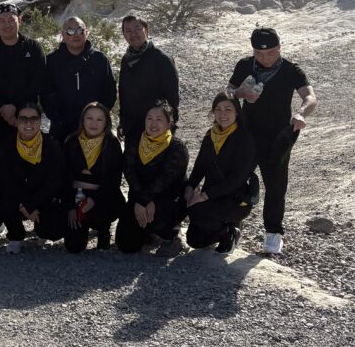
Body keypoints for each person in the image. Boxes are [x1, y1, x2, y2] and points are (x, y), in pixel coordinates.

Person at [229, 27, 317, 255]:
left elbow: (310, 98)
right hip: (247, 133)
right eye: (259, 53)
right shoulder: (244, 66)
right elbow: (227, 94)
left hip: (278, 136)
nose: (265, 58)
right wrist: (241, 94)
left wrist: (300, 113)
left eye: (270, 53)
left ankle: (273, 233)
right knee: (237, 178)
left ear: (279, 48)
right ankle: (232, 224)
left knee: (276, 185)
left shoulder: (291, 70)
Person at [185, 92, 257, 254]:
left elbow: (237, 179)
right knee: (194, 240)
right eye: (218, 109)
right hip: (212, 196)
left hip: (235, 199)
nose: (222, 114)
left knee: (198, 209)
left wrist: (204, 195)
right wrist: (190, 187)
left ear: (237, 112)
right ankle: (220, 227)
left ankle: (230, 231)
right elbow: (200, 166)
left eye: (228, 109)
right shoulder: (210, 136)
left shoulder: (244, 139)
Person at [115, 101, 188, 256]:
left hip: (167, 201)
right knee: (126, 245)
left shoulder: (177, 148)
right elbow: (129, 170)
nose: (153, 123)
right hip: (139, 199)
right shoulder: (136, 140)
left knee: (163, 216)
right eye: (149, 118)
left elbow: (165, 180)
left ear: (169, 124)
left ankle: (171, 237)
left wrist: (145, 200)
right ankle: (148, 233)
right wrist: (140, 200)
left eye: (159, 119)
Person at [0, 102, 66, 254]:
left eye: (33, 119)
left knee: (54, 229)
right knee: (4, 203)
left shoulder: (51, 145)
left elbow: (54, 181)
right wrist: (25, 205)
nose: (28, 123)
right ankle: (16, 236)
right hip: (17, 200)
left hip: (42, 199)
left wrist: (32, 204)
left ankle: (42, 232)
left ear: (40, 121)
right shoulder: (6, 145)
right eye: (23, 119)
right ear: (17, 121)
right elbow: (4, 181)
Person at [0, 3, 48, 152]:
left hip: (26, 117)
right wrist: (2, 107)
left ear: (19, 21)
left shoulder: (33, 48)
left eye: (11, 19)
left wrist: (17, 108)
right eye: (1, 20)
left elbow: (38, 82)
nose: (7, 24)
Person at [43, 17, 117, 146]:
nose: (75, 35)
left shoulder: (99, 59)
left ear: (86, 32)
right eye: (70, 31)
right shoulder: (52, 61)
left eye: (79, 30)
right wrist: (58, 118)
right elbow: (45, 92)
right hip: (61, 128)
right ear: (63, 35)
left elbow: (109, 91)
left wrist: (98, 117)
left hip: (94, 128)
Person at [63, 102, 125, 253]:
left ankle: (103, 230)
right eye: (89, 118)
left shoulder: (111, 144)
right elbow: (65, 178)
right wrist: (70, 206)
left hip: (103, 197)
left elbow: (113, 180)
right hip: (76, 197)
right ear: (82, 120)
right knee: (74, 247)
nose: (94, 123)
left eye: (99, 119)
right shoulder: (72, 142)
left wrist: (93, 197)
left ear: (106, 122)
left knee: (102, 211)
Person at [117, 14, 179, 143]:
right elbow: (123, 93)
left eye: (137, 29)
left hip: (155, 129)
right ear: (123, 35)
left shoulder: (162, 59)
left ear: (147, 30)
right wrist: (122, 121)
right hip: (132, 129)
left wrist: (170, 126)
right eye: (128, 31)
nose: (133, 34)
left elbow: (173, 98)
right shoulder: (126, 60)